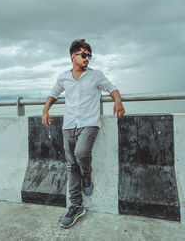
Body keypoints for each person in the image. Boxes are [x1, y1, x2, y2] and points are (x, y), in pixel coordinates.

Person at [42, 39, 125, 228]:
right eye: (84, 55)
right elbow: (53, 94)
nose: (87, 58)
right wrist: (45, 110)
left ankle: (87, 173)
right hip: (69, 124)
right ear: (73, 57)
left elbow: (112, 88)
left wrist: (118, 101)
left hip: (89, 123)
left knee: (81, 153)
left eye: (89, 55)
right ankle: (76, 206)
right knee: (71, 165)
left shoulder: (96, 75)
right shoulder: (63, 77)